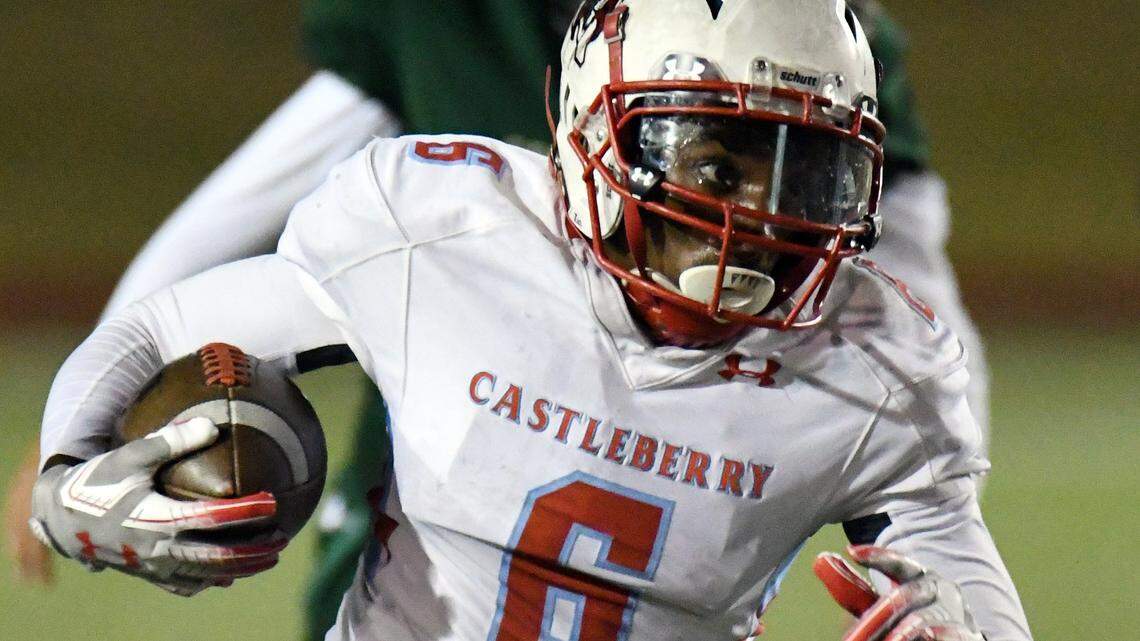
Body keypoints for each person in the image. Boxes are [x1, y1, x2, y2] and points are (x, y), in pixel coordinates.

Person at [27, 2, 1030, 640]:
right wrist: (71, 474)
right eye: (711, 162)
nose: (752, 222)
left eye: (803, 171)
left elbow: (967, 591)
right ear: (590, 128)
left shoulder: (880, 371)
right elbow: (165, 328)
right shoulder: (440, 224)